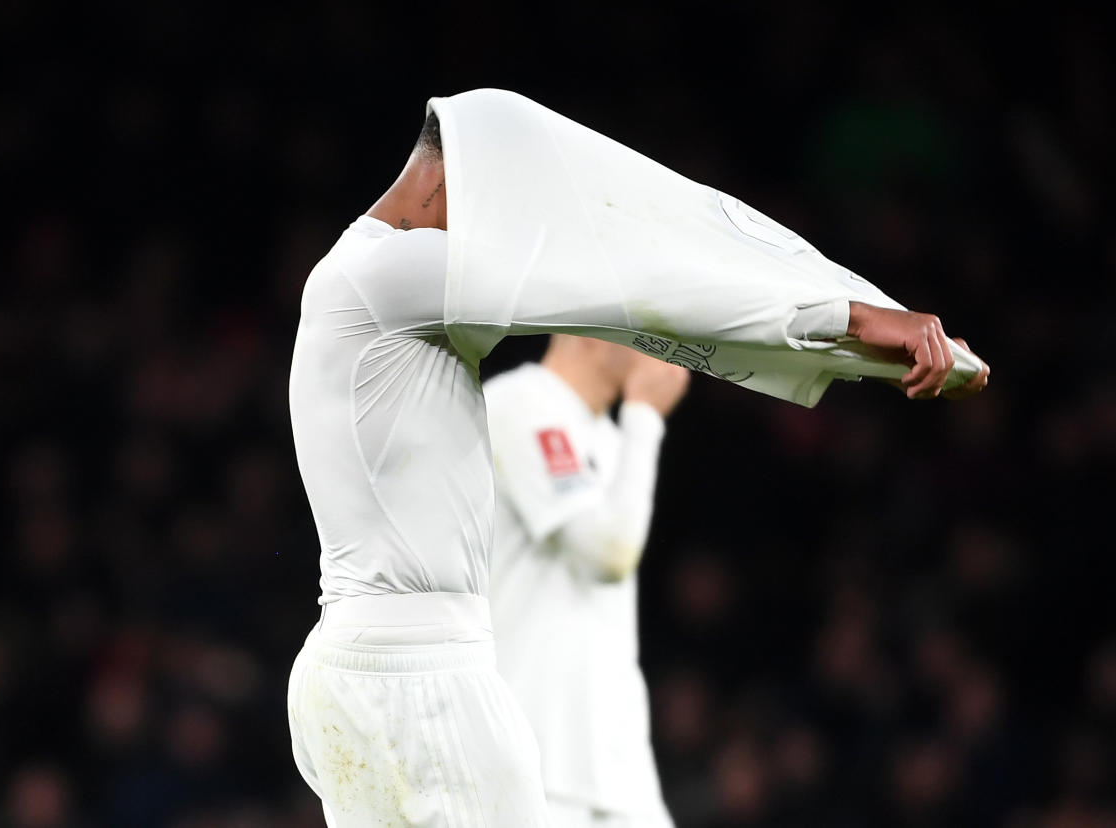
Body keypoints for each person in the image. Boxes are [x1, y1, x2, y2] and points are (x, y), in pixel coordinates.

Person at [285, 89, 989, 827]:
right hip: (421, 676)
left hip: (371, 664)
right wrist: (854, 317)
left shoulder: (357, 281)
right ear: (444, 182)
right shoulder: (388, 277)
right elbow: (634, 287)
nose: (508, 236)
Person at [486, 337, 689, 828]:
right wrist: (644, 415)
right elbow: (607, 554)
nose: (661, 349)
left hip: (614, 756)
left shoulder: (608, 434)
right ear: (589, 331)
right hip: (541, 753)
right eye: (644, 331)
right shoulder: (520, 403)